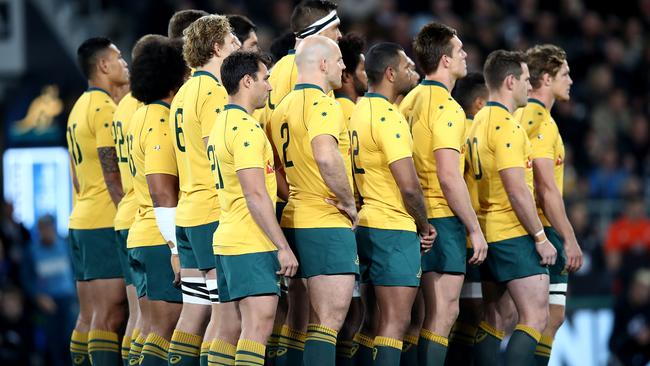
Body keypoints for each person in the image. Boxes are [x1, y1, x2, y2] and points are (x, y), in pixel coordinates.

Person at [398, 22, 488, 365]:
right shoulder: (449, 108)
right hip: (442, 218)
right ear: (446, 61)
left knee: (413, 318)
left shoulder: (409, 100)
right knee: (443, 315)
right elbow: (449, 176)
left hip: (410, 217)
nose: (465, 55)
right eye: (460, 50)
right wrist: (474, 230)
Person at [260, 3, 343, 365]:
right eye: (335, 30)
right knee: (316, 316)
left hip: (289, 204)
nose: (340, 38)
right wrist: (291, 191)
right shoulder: (292, 75)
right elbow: (272, 149)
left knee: (295, 316)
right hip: (307, 205)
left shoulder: (280, 73)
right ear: (318, 34)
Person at [269, 35, 358, 366]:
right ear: (322, 64)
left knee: (298, 321)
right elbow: (325, 154)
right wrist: (348, 202)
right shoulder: (324, 104)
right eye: (338, 60)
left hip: (294, 216)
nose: (344, 66)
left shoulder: (279, 110)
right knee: (327, 324)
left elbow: (274, 167)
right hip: (324, 219)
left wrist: (293, 193)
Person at [205, 50, 299, 366]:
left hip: (229, 239)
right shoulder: (245, 128)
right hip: (250, 240)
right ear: (248, 81)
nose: (270, 86)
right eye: (265, 78)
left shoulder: (221, 123)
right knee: (257, 327)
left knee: (228, 329)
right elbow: (255, 196)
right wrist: (282, 247)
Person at [467, 50, 557, 365]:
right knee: (535, 317)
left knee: (495, 317)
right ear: (509, 81)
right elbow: (517, 189)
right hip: (511, 233)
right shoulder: (507, 125)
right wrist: (539, 237)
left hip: (486, 232)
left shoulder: (477, 120)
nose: (529, 88)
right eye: (524, 81)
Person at [349, 42, 436, 366]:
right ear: (390, 73)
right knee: (395, 323)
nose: (412, 70)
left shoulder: (358, 110)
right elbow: (410, 187)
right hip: (394, 229)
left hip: (367, 223)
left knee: (371, 322)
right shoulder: (389, 117)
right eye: (406, 66)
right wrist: (425, 226)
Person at [167, 15, 241, 366]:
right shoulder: (213, 91)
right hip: (213, 212)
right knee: (226, 318)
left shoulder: (182, 93)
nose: (239, 46)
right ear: (216, 47)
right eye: (232, 41)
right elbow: (217, 153)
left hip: (188, 213)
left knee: (195, 313)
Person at [514, 44, 584, 365]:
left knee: (541, 319)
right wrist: (568, 237)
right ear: (545, 78)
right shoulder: (539, 119)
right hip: (541, 228)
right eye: (565, 74)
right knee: (542, 319)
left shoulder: (521, 114)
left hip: (523, 227)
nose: (570, 80)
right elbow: (545, 188)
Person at [67, 36, 129, 366]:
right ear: (103, 65)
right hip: (104, 221)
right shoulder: (105, 109)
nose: (124, 63)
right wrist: (127, 220)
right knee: (110, 315)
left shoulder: (78, 107)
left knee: (90, 315)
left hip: (81, 218)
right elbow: (112, 174)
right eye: (118, 58)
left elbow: (75, 177)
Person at [126, 35, 187, 365]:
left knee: (151, 329)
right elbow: (161, 190)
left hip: (142, 232)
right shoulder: (161, 121)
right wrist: (176, 249)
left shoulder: (140, 115)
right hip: (158, 239)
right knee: (165, 330)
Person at [111, 34, 159, 365]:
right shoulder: (148, 106)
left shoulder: (123, 107)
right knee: (157, 322)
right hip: (151, 215)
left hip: (128, 213)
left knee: (138, 317)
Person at [445, 72, 489, 366]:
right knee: (478, 316)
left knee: (451, 315)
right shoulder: (480, 131)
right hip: (476, 230)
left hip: (457, 229)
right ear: (478, 103)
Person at [331, 31, 367, 366]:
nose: (366, 74)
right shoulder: (348, 111)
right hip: (352, 218)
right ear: (347, 75)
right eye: (361, 68)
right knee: (351, 317)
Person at [22, 215, 76, 366]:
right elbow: (26, 279)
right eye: (43, 228)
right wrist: (38, 296)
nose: (47, 231)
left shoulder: (65, 245)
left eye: (49, 227)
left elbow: (75, 271)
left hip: (68, 299)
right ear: (38, 230)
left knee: (70, 338)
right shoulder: (31, 251)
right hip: (47, 302)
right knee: (52, 343)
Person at [334, 32, 367, 122]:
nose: (368, 74)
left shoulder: (333, 106)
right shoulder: (351, 112)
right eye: (363, 69)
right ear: (346, 76)